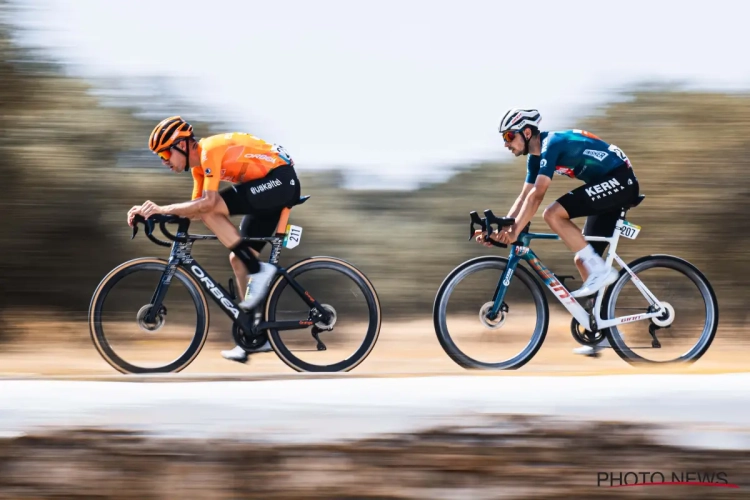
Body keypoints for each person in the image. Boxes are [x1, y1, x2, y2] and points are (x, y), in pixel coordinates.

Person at [127, 116, 301, 363]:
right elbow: (196, 211)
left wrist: (162, 209)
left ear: (182, 145)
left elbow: (207, 205)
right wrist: (151, 215)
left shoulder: (209, 151)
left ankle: (258, 271)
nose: (164, 162)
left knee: (212, 208)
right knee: (238, 260)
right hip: (265, 188)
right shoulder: (199, 169)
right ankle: (255, 335)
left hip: (281, 181)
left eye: (165, 154)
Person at [480, 108, 640, 356]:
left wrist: (515, 231)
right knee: (582, 258)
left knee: (552, 213)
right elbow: (524, 196)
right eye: (504, 139)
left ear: (527, 131)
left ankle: (602, 271)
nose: (506, 144)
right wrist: (501, 229)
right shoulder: (535, 158)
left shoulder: (550, 144)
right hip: (607, 185)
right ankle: (602, 333)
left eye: (509, 137)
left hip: (620, 181)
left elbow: (538, 195)